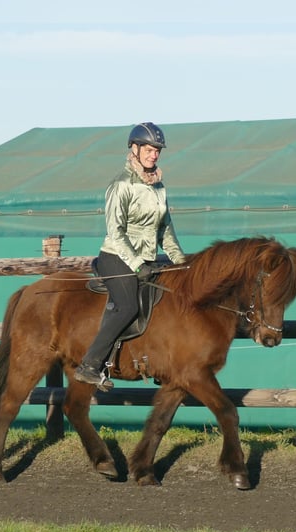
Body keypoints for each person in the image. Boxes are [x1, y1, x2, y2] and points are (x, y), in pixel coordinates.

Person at [74, 122, 187, 390]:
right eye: (149, 149)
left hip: (147, 259)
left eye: (157, 150)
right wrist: (137, 265)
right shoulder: (121, 184)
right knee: (127, 306)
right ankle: (90, 364)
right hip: (117, 256)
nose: (154, 154)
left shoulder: (159, 186)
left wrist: (183, 264)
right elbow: (115, 231)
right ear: (134, 149)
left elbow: (166, 230)